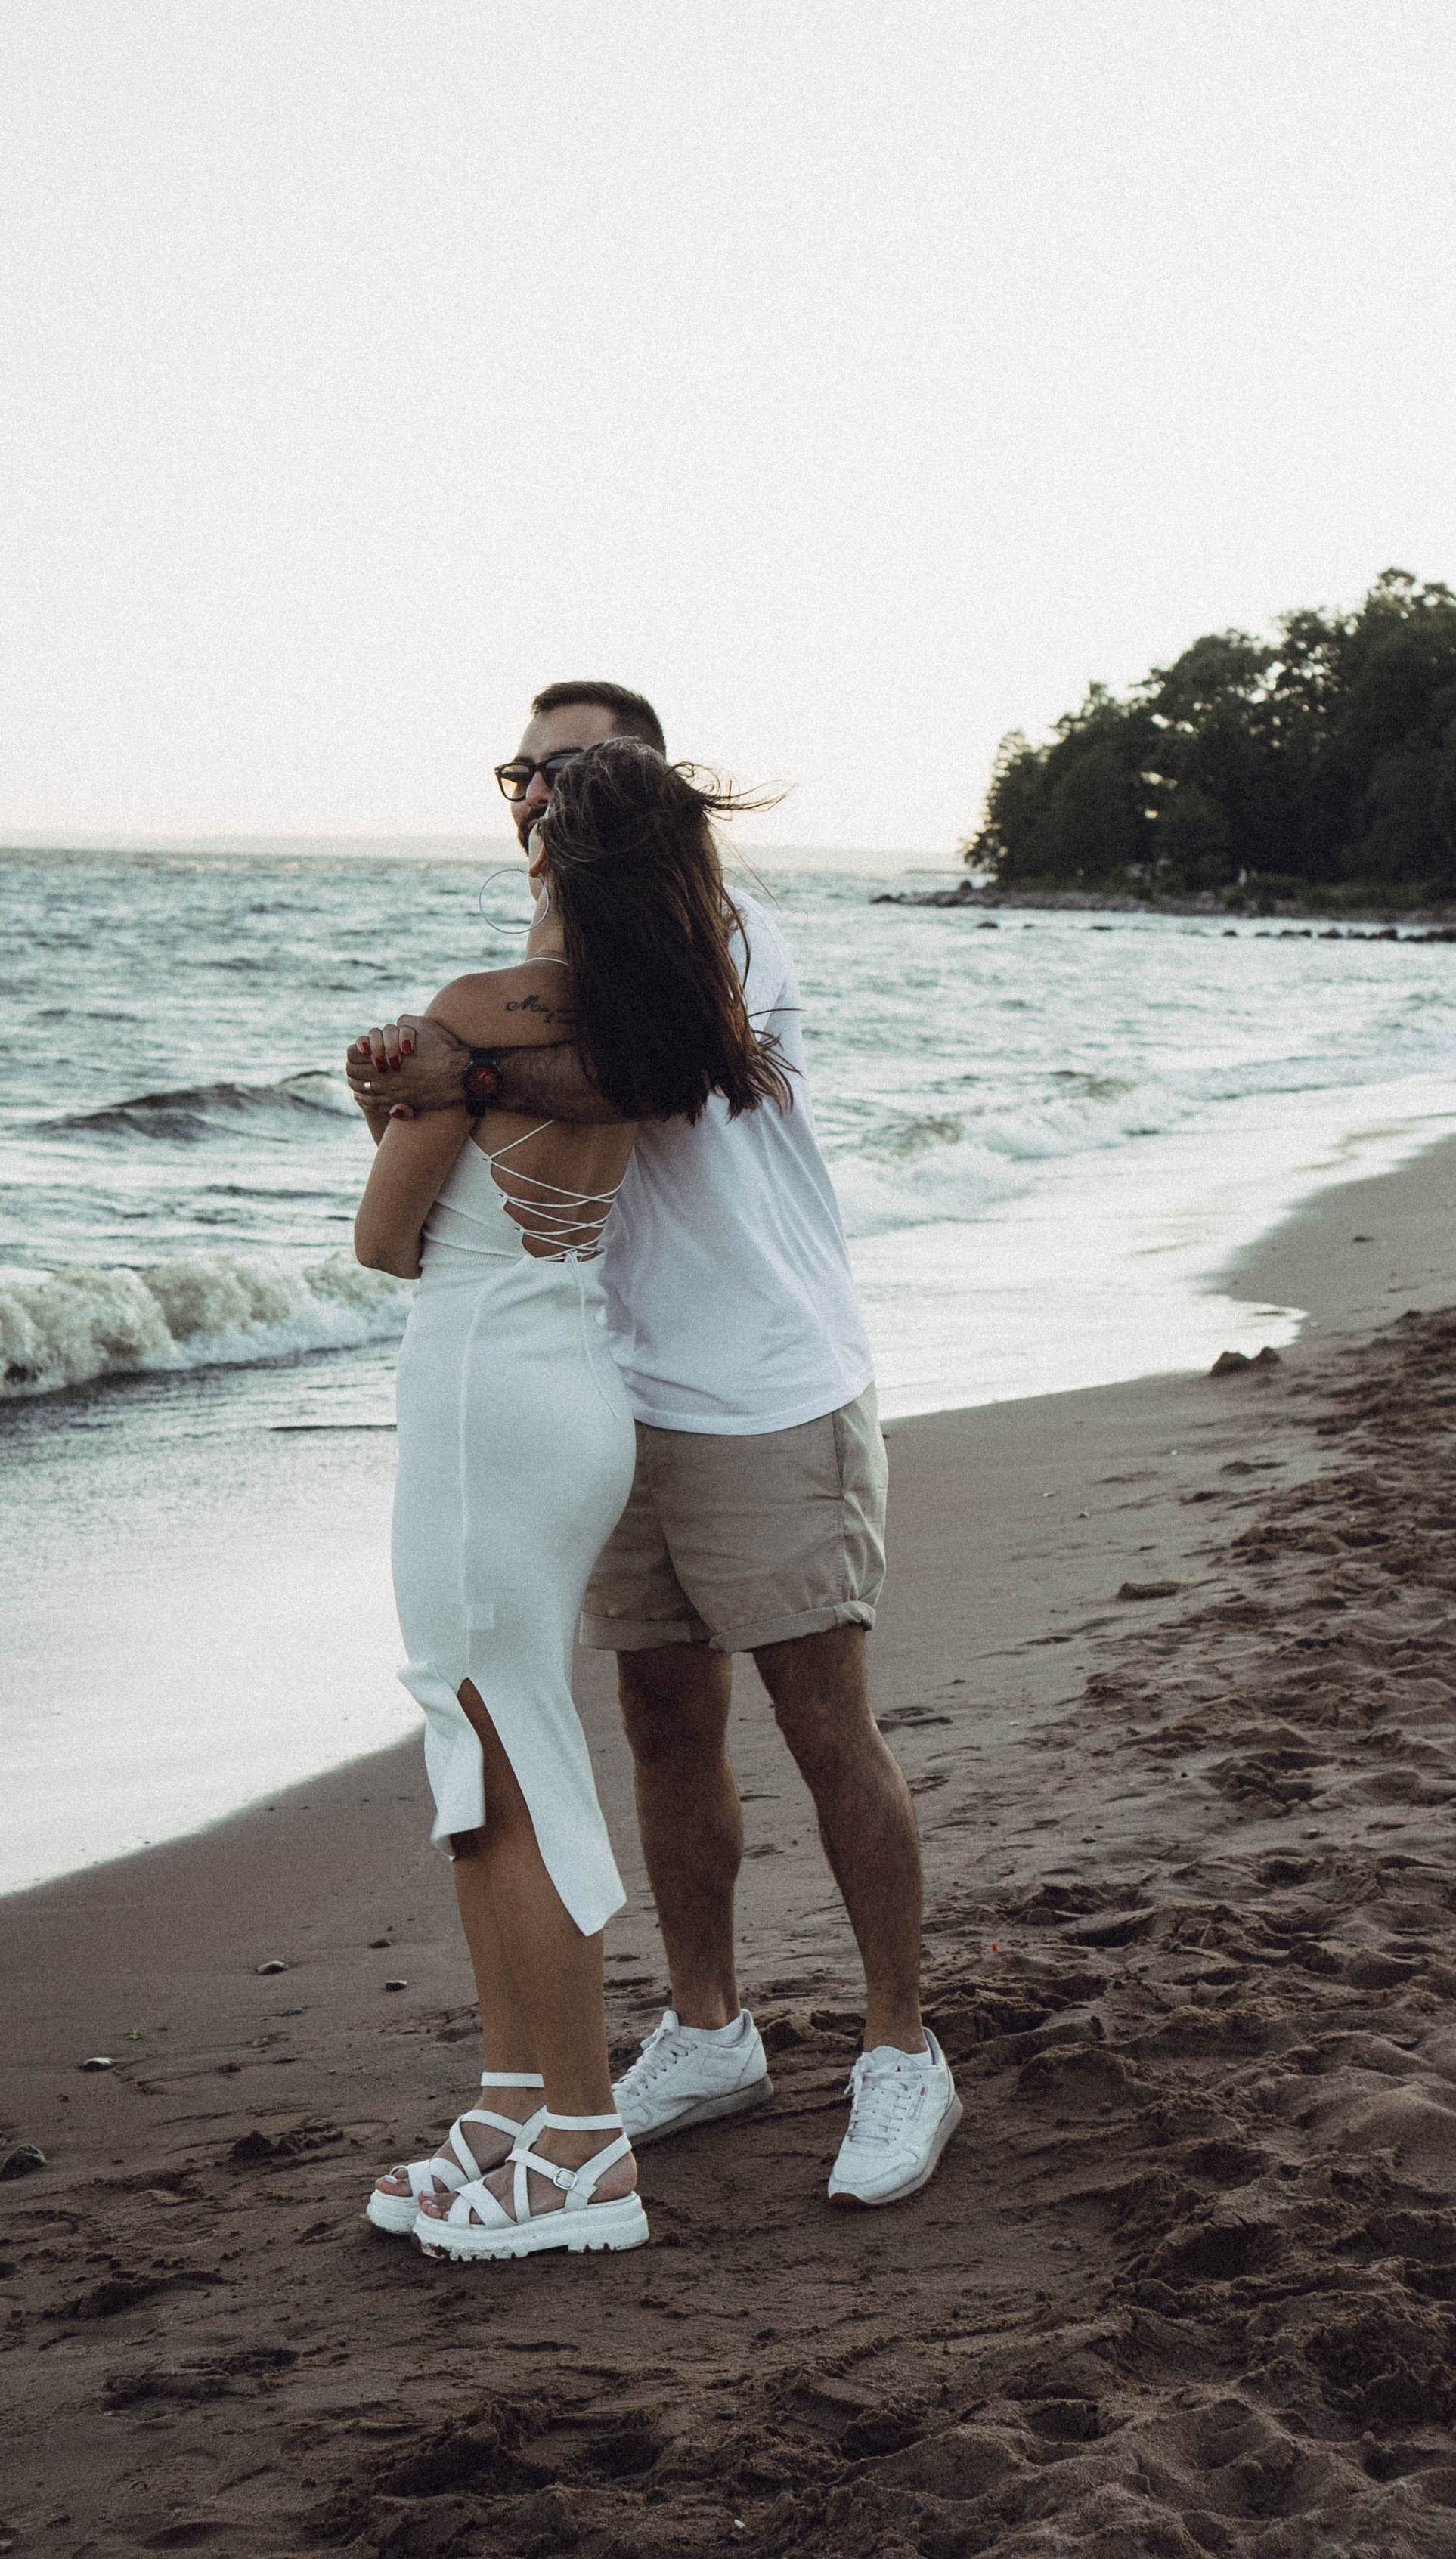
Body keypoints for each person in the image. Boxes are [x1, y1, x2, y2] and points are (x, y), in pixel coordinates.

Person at [346, 680, 959, 2211]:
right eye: (525, 768)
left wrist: (458, 1066)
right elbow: (485, 1154)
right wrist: (408, 1081)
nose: (544, 791)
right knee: (663, 1731)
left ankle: (900, 2048)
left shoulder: (714, 930)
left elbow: (661, 1071)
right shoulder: (528, 974)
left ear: (648, 785)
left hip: (766, 1384)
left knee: (826, 1728)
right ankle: (706, 2033)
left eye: (579, 767)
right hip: (607, 1392)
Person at [352, 739, 788, 2260]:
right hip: (568, 1387)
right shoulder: (659, 1014)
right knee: (487, 1747)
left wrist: (414, 1101)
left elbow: (385, 1240)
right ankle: (515, 2112)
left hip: (483, 1391)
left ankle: (585, 2154)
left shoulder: (481, 1011)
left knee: (508, 1754)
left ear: (549, 848)